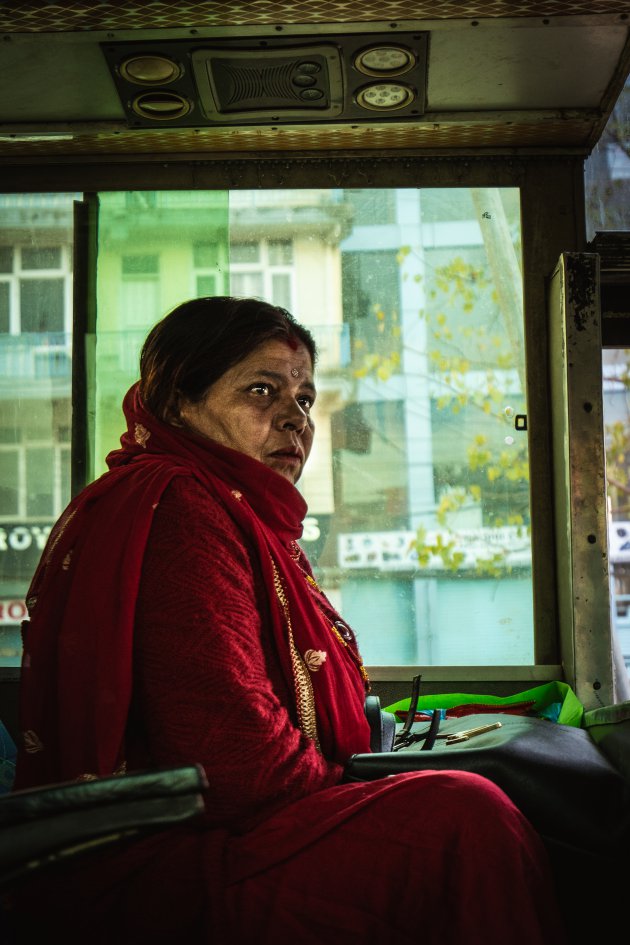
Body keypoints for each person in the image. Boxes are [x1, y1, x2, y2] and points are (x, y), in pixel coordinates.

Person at [11, 297, 567, 945]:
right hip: (163, 861)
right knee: (466, 815)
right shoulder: (183, 508)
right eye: (261, 389)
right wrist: (367, 782)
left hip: (213, 833)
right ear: (177, 405)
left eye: (303, 398)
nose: (294, 417)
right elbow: (237, 768)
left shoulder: (233, 510)